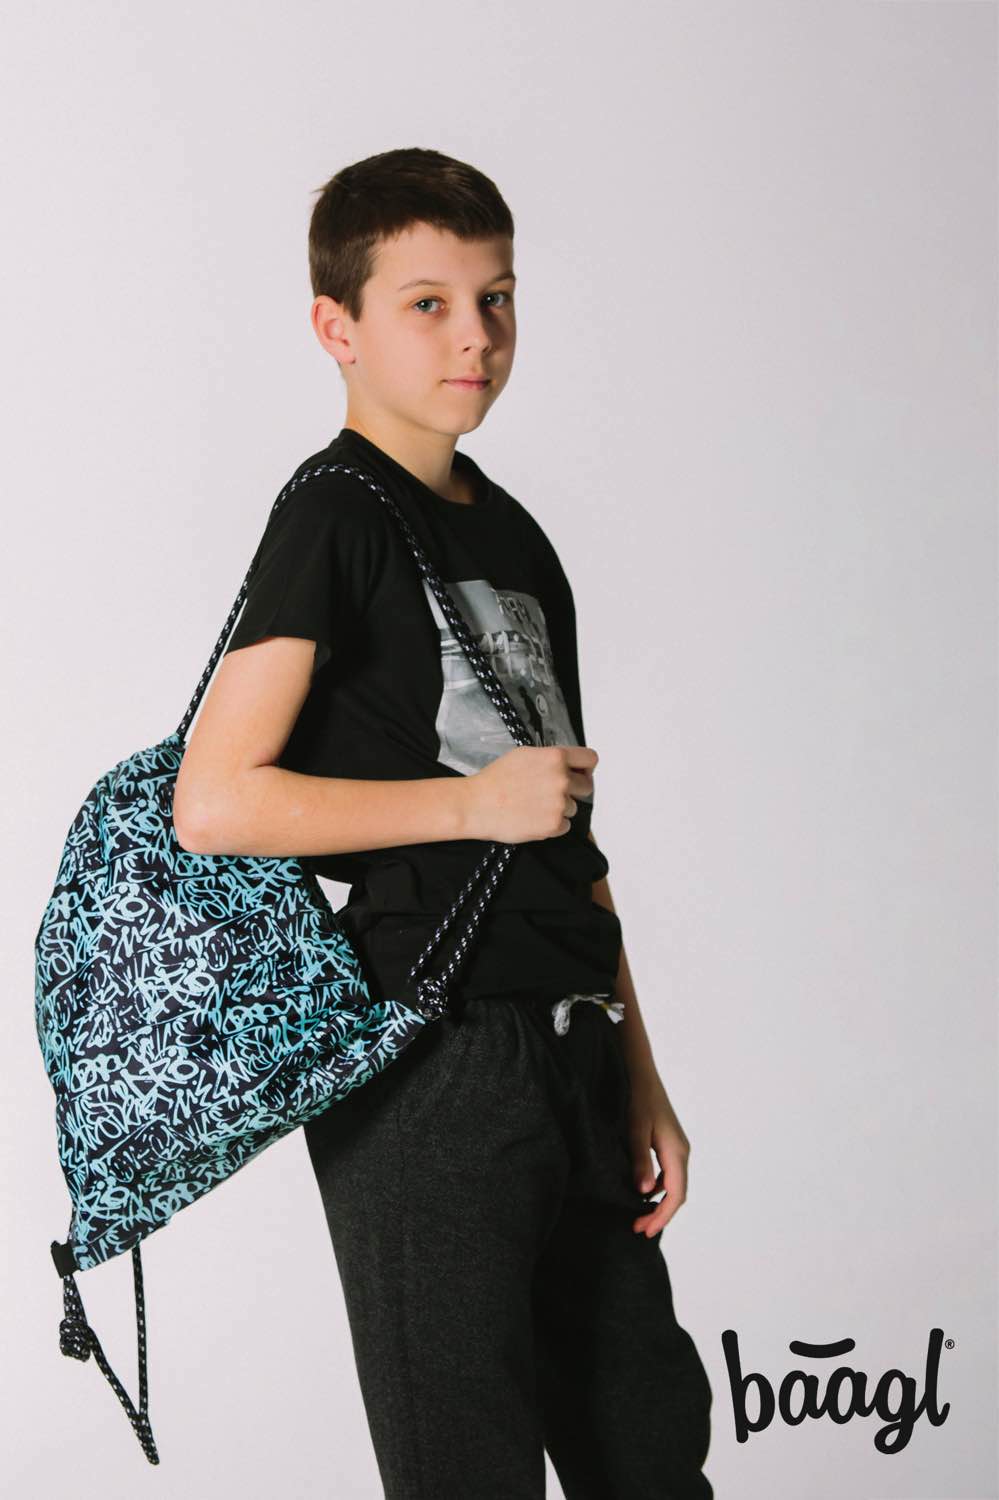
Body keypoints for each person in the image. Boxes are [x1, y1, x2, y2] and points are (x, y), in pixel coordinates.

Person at [173, 146, 714, 1499]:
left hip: (569, 1049)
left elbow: (569, 841)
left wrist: (639, 1075)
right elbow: (214, 799)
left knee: (653, 1457)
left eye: (496, 298)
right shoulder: (333, 516)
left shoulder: (517, 540)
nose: (474, 335)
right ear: (337, 327)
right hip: (431, 1059)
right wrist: (472, 803)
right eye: (428, 303)